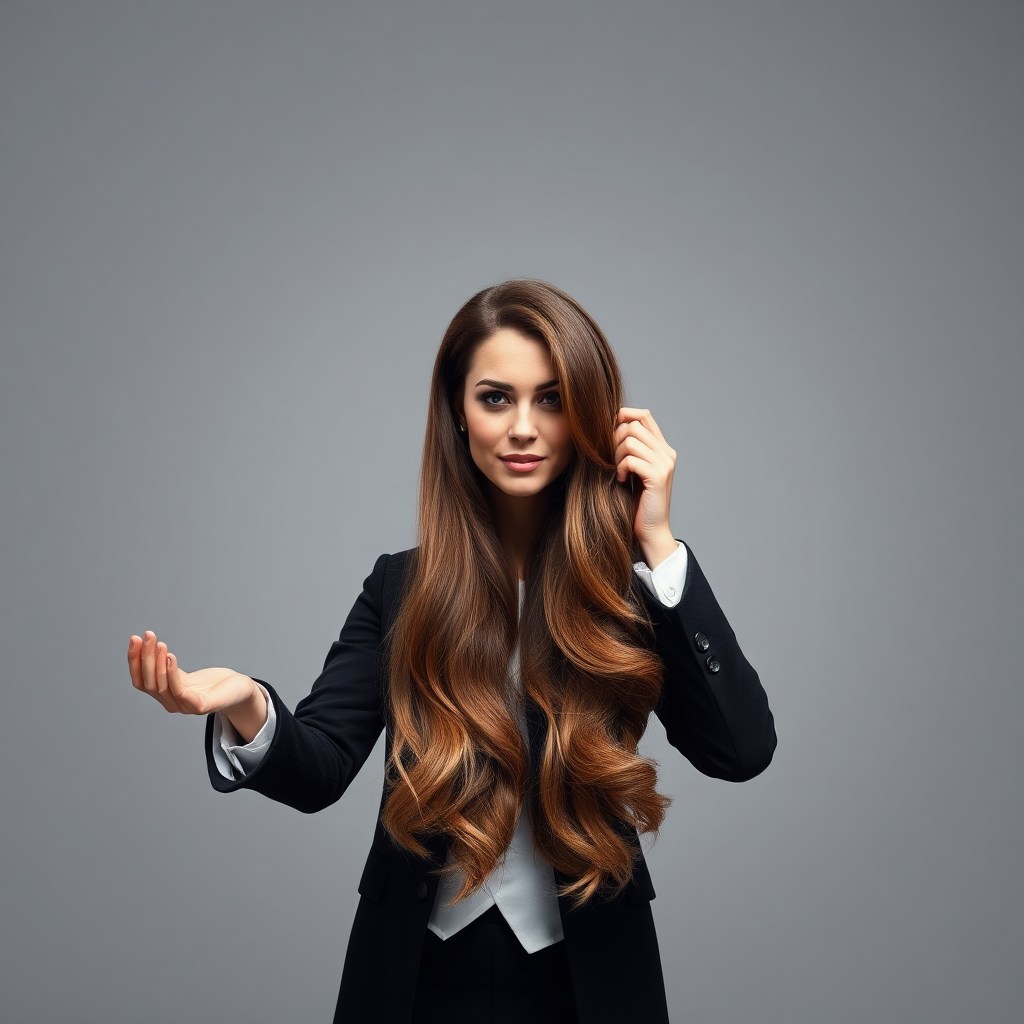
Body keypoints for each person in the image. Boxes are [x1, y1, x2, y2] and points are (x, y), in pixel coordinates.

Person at [128, 279, 776, 1024]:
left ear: (591, 416)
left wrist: (658, 544)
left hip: (592, 978)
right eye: (496, 398)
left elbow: (741, 749)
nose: (524, 427)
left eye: (553, 399)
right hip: (411, 978)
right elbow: (320, 768)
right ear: (458, 416)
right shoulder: (399, 586)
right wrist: (246, 703)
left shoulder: (631, 594)